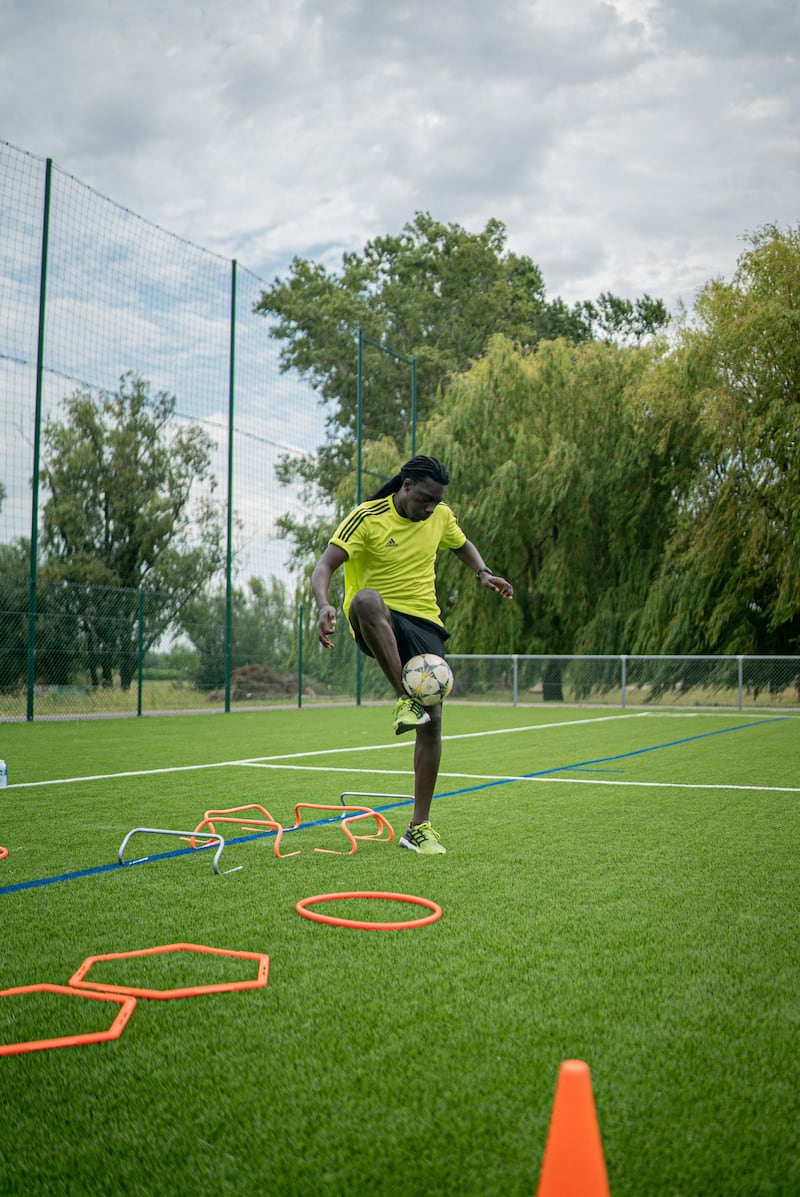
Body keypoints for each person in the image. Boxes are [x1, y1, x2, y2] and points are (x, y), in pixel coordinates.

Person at [311, 454, 513, 855]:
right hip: (376, 619)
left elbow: (462, 543)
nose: (430, 508)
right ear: (406, 487)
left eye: (436, 502)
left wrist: (484, 572)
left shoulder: (439, 516)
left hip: (424, 622)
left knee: (433, 722)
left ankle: (418, 828)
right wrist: (323, 603)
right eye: (424, 499)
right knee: (367, 600)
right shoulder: (367, 518)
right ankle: (404, 698)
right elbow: (324, 566)